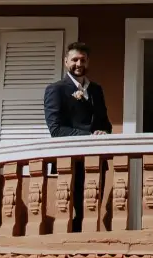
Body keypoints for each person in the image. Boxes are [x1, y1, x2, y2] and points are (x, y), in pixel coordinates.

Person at [43, 41, 112, 231]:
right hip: (71, 159)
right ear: (66, 62)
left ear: (88, 62)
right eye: (74, 60)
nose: (79, 64)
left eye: (83, 60)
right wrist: (90, 135)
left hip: (97, 159)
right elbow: (56, 130)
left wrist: (103, 132)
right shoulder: (56, 89)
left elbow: (105, 123)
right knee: (76, 211)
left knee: (92, 208)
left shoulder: (96, 90)